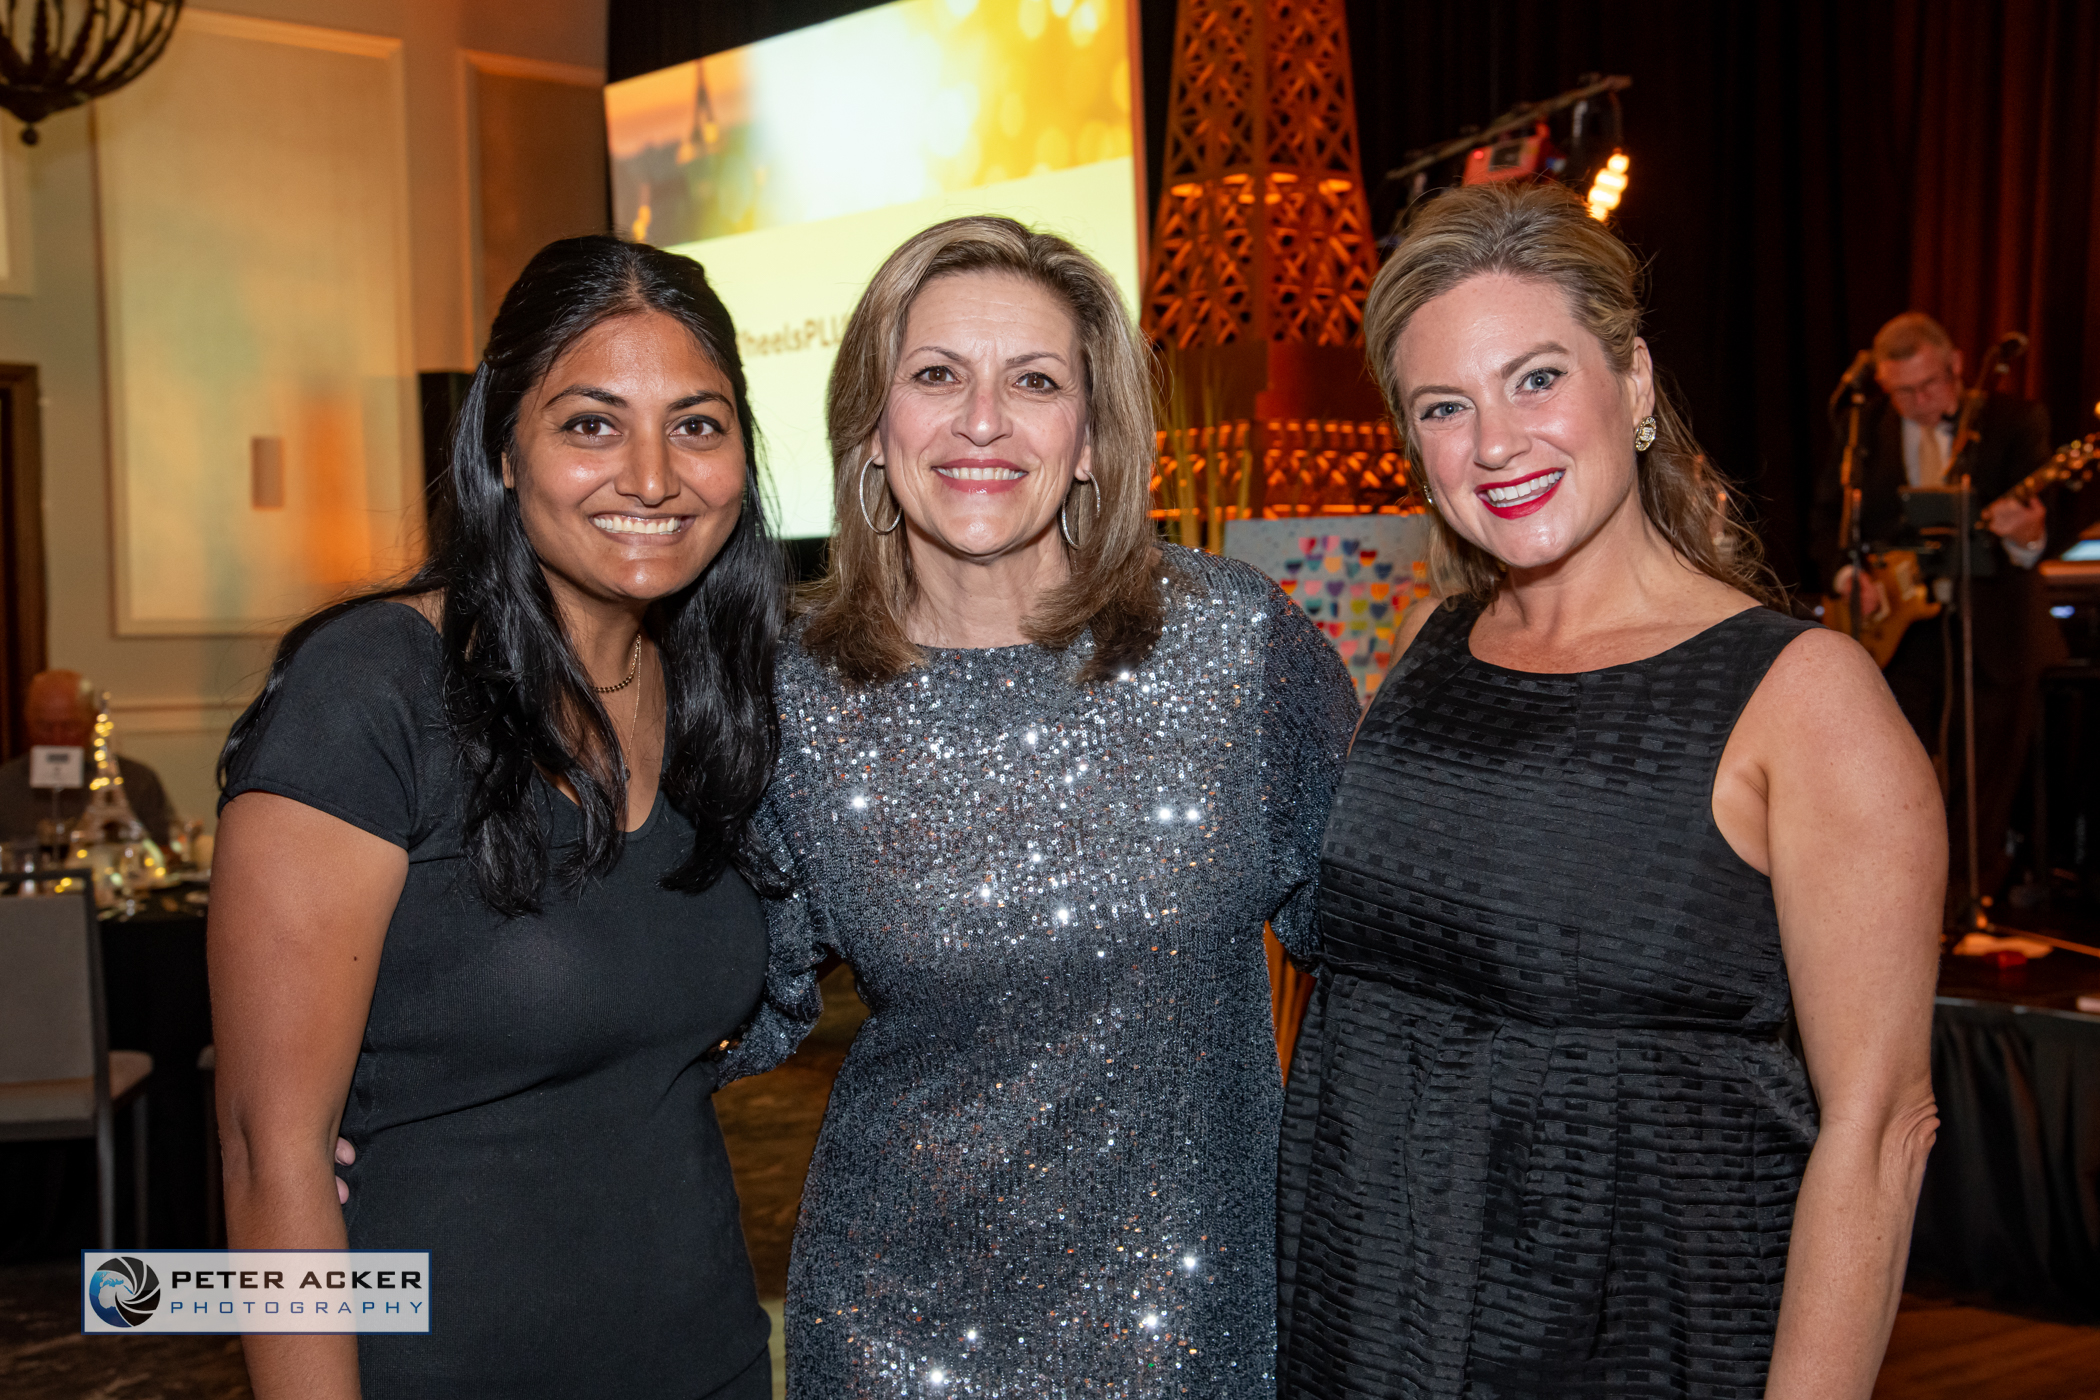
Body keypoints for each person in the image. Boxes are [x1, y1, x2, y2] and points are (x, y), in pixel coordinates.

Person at [1275, 182, 1943, 1399]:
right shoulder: (1428, 646)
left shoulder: (1806, 697)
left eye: (1536, 378)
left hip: (1632, 1341)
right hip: (1362, 1320)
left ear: (1633, 384)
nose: (1494, 441)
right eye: (1444, 405)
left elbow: (1882, 1128)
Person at [722, 215, 1359, 1395]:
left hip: (1191, 1331)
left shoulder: (1234, 649)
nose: (983, 420)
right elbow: (708, 992)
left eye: (1035, 381)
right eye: (935, 375)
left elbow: (1384, 955)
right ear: (872, 429)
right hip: (891, 1332)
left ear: (1093, 440)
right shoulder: (795, 696)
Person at [210, 235, 785, 1399]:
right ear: (502, 452)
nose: (652, 476)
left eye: (696, 424)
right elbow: (271, 1154)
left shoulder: (723, 698)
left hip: (711, 1357)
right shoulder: (371, 691)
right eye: (591, 423)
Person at [1810, 311, 2061, 904]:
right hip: (1896, 636)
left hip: (1991, 631)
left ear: (1956, 366)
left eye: (1929, 385)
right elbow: (1826, 520)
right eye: (1903, 392)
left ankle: (1965, 907)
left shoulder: (2015, 422)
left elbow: (2041, 534)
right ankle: (1894, 901)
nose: (1919, 402)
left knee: (1982, 783)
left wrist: (2026, 534)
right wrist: (1850, 576)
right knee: (1890, 775)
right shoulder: (1863, 428)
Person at [0, 669, 173, 845]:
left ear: (92, 721)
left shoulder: (137, 781)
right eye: (44, 727)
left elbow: (167, 849)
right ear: (27, 722)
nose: (57, 739)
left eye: (69, 726)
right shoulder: (5, 784)